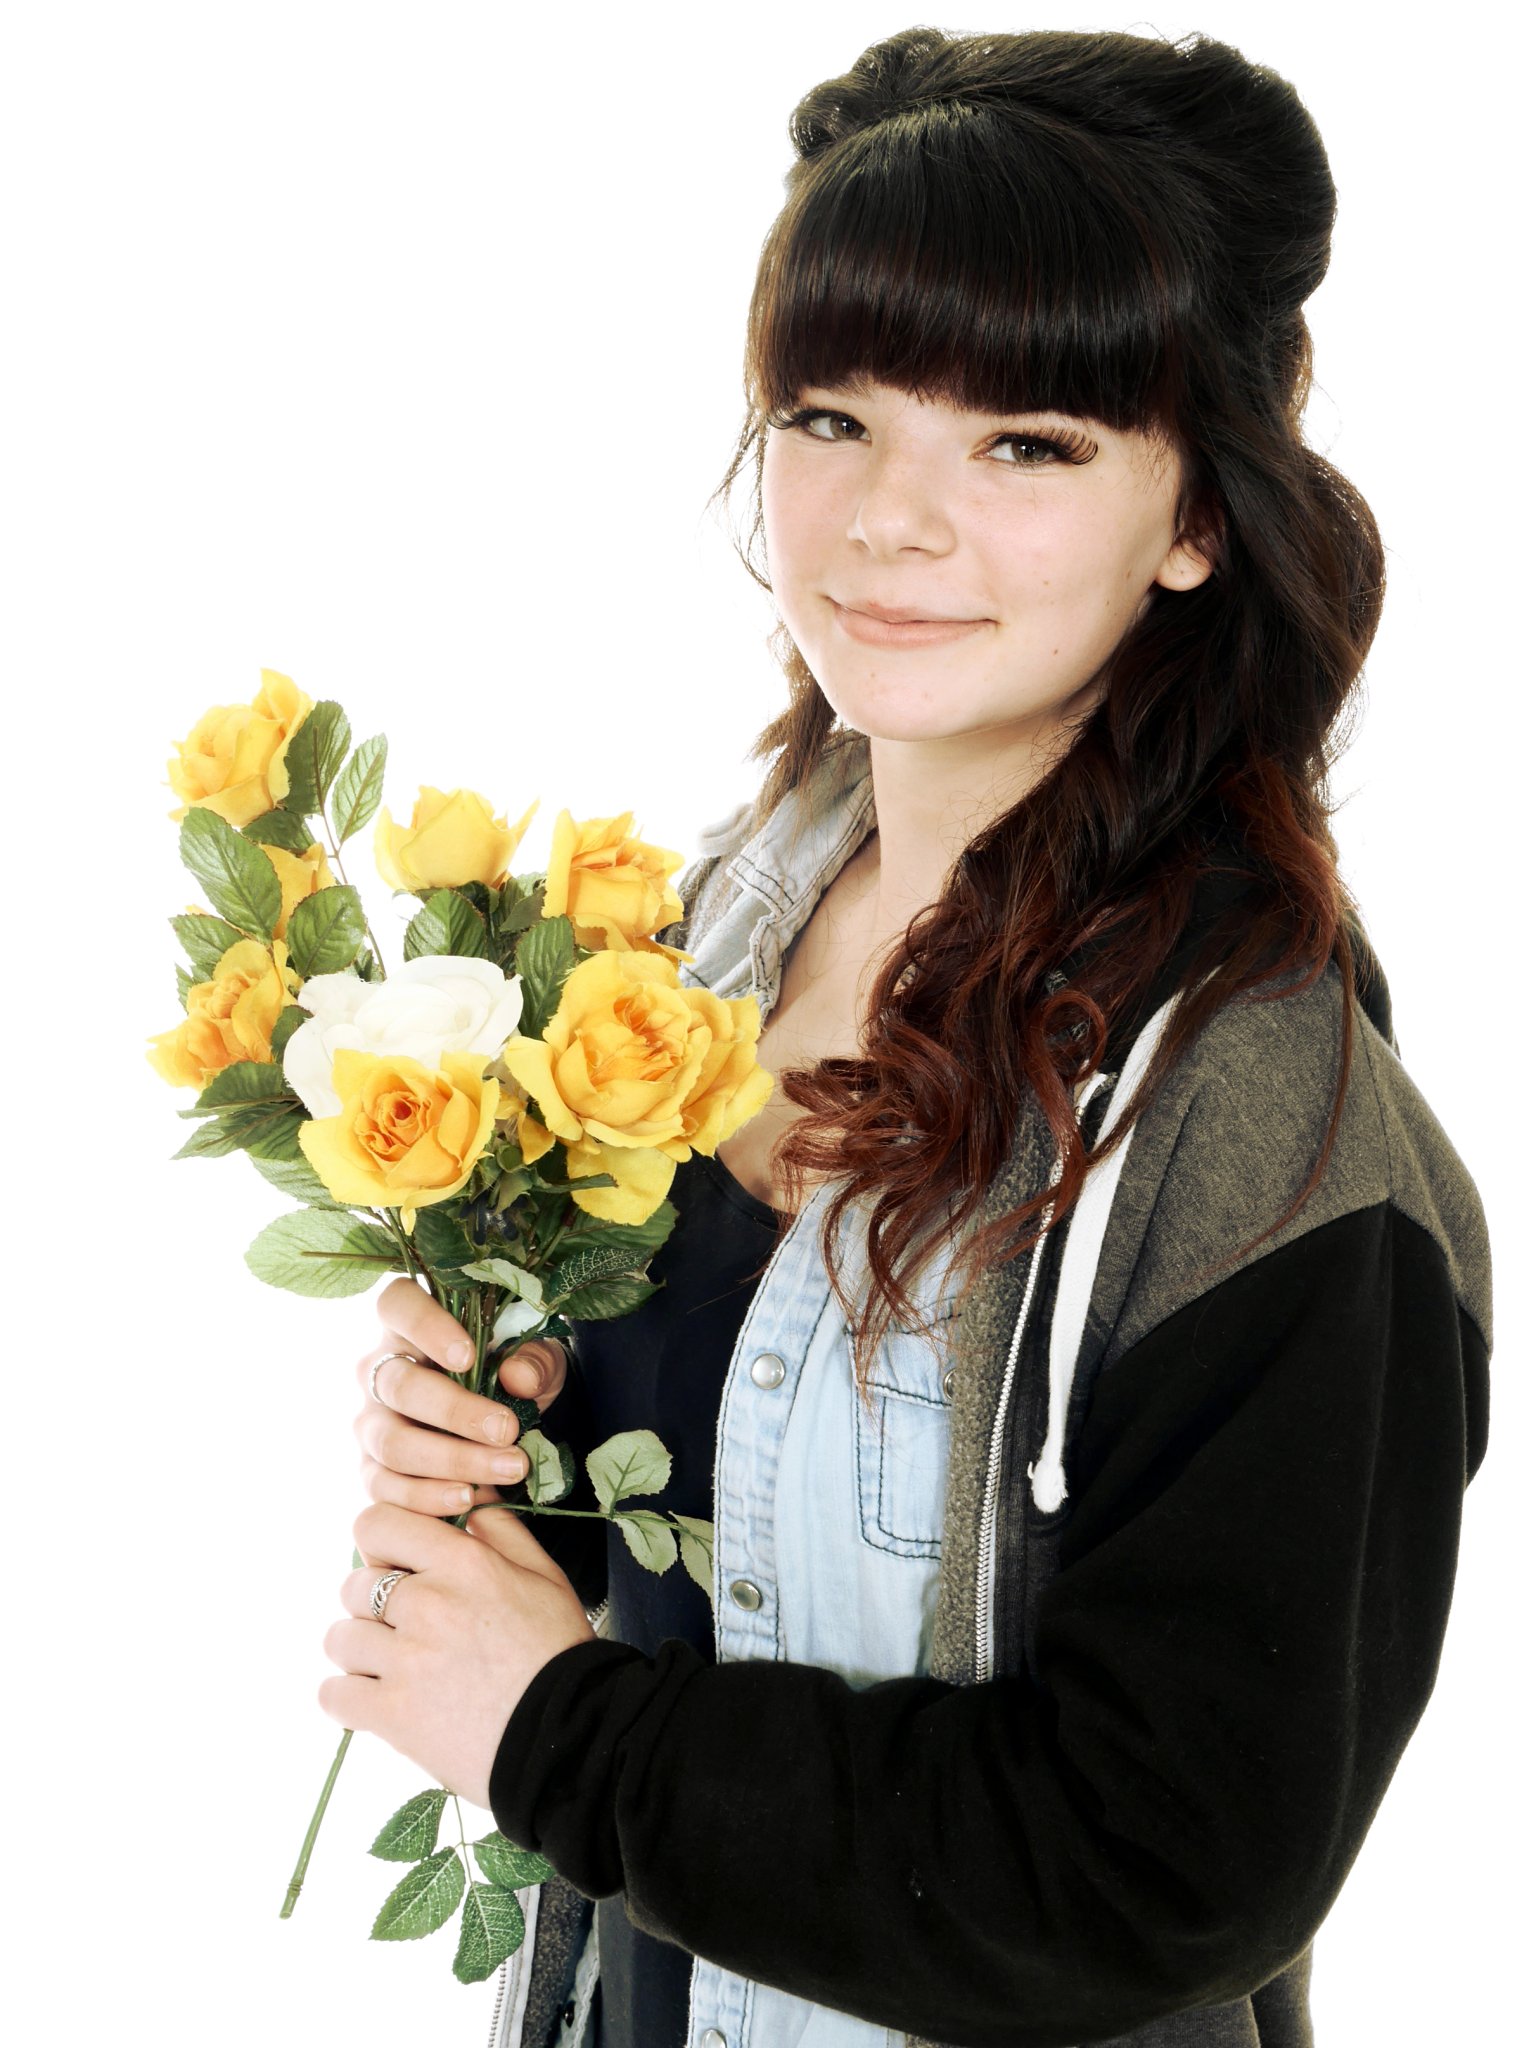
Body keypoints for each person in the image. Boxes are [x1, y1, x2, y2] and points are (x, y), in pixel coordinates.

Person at [319, 25, 1493, 2048]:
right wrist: (501, 1459)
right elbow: (695, 1563)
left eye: (1025, 443)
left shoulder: (1262, 1124)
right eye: (832, 415)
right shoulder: (699, 939)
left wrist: (555, 1730)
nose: (889, 520)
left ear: (1198, 515)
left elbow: (1160, 1870)